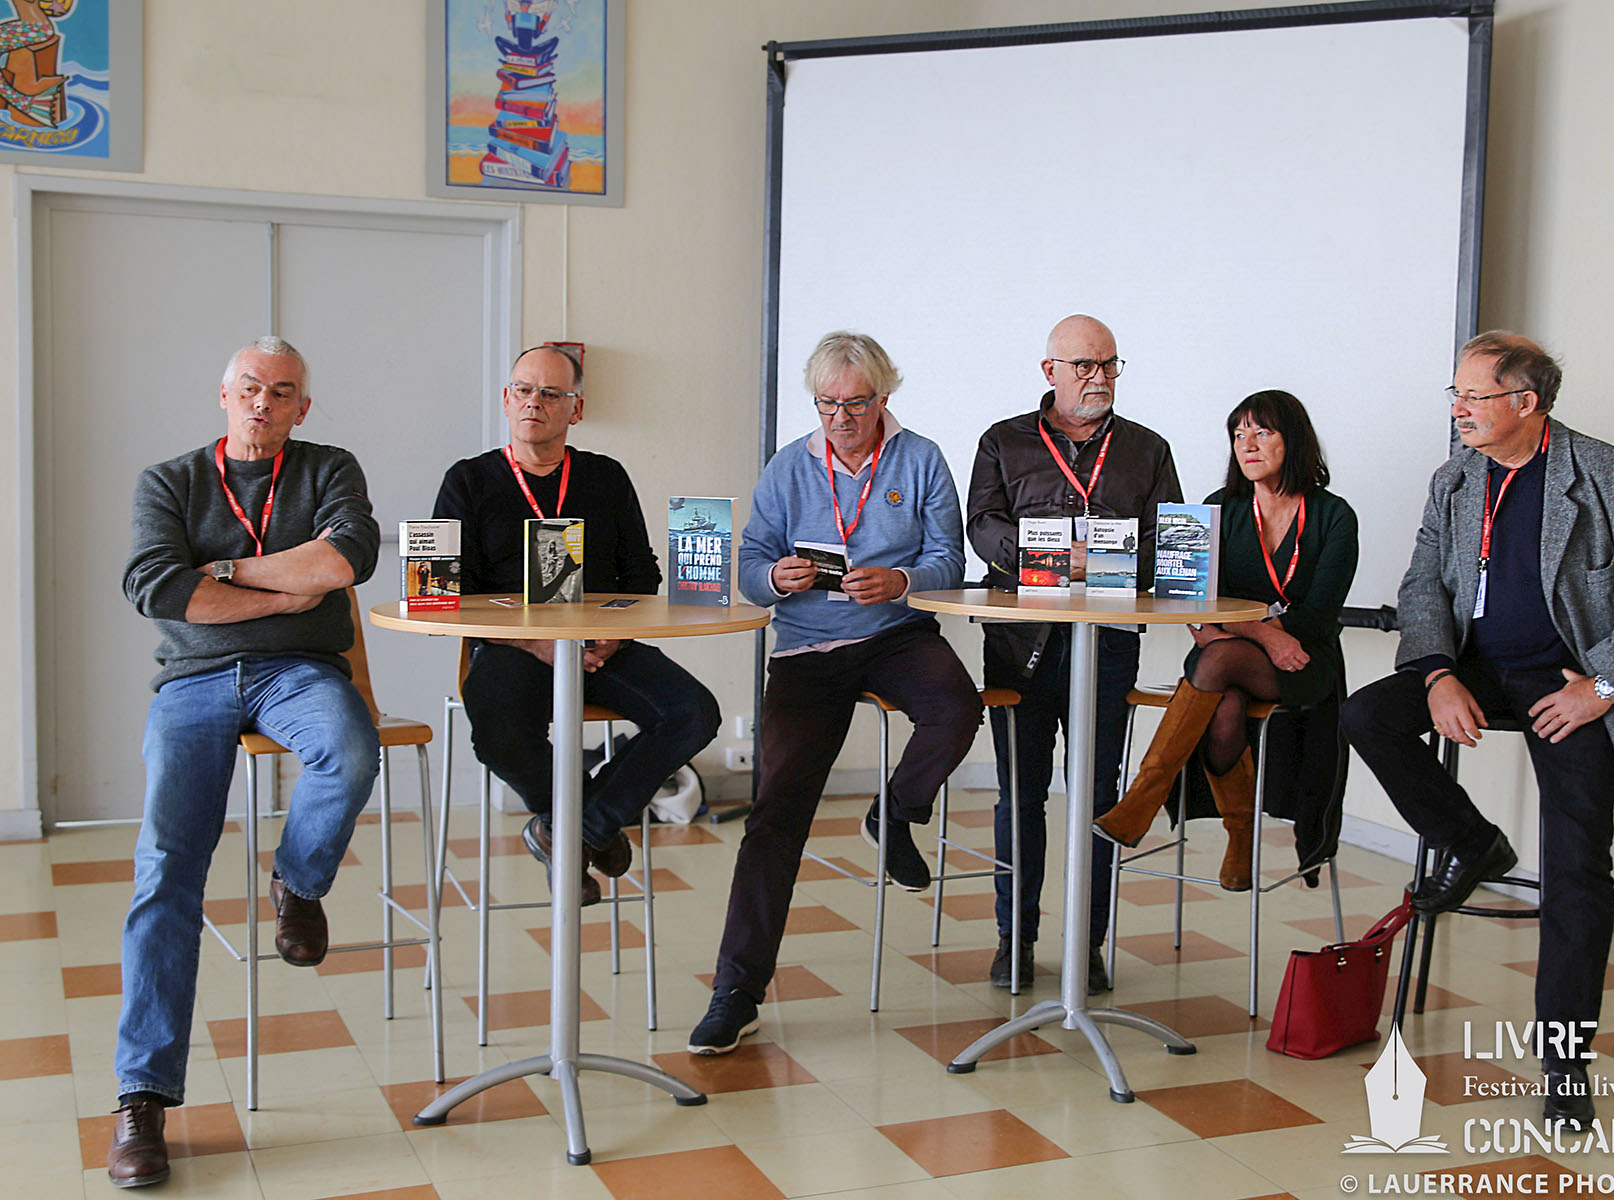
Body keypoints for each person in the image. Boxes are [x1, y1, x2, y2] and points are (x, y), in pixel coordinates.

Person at [1340, 331, 1614, 1130]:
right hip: (1471, 667)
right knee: (1366, 713)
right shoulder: (1456, 477)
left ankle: (1565, 1063)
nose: (1459, 410)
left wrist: (1602, 686)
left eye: (1473, 396)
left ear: (1525, 403)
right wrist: (1434, 676)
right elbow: (1423, 583)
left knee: (1577, 866)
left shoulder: (1606, 475)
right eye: (1456, 396)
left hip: (1572, 681)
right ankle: (1475, 844)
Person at [113, 337, 382, 1188]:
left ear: (303, 406)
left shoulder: (329, 465)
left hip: (298, 672)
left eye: (283, 392)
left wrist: (223, 570)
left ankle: (297, 883)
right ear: (222, 395)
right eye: (250, 389)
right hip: (191, 681)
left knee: (349, 749)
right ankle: (142, 1100)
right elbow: (156, 586)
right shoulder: (170, 481)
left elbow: (347, 559)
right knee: (165, 869)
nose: (263, 403)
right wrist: (283, 585)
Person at [688, 331, 981, 1055]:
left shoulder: (920, 458)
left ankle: (896, 811)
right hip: (809, 644)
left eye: (855, 404)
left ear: (885, 398)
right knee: (775, 814)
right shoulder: (790, 466)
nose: (841, 418)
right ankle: (736, 992)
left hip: (896, 633)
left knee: (958, 707)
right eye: (828, 405)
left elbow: (951, 557)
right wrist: (771, 579)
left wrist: (904, 582)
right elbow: (751, 560)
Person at [434, 345, 720, 904]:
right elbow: (450, 593)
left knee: (693, 713)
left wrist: (614, 635)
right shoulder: (469, 480)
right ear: (506, 399)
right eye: (523, 389)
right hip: (515, 645)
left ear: (576, 409)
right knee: (497, 732)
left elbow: (641, 573)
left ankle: (574, 830)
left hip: (600, 644)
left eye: (550, 394)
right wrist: (537, 641)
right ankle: (590, 824)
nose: (533, 403)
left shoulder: (605, 477)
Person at [966, 314, 1183, 992]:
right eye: (1085, 365)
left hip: (1109, 643)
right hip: (1019, 644)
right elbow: (982, 525)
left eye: (1110, 365)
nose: (1099, 378)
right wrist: (1053, 558)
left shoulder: (1147, 449)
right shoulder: (1002, 442)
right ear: (1049, 372)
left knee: (1098, 797)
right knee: (1020, 796)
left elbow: (1169, 538)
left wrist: (1112, 558)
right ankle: (1016, 941)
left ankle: (1087, 944)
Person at [1093, 390, 1358, 890]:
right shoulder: (1216, 507)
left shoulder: (1335, 515)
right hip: (1232, 652)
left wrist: (1241, 632)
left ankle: (1141, 800)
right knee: (1226, 702)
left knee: (1218, 659)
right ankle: (1240, 839)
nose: (1248, 444)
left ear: (1293, 439)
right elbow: (1185, 599)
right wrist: (1259, 631)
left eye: (1263, 431)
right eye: (1239, 434)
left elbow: (1318, 616)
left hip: (1304, 662)